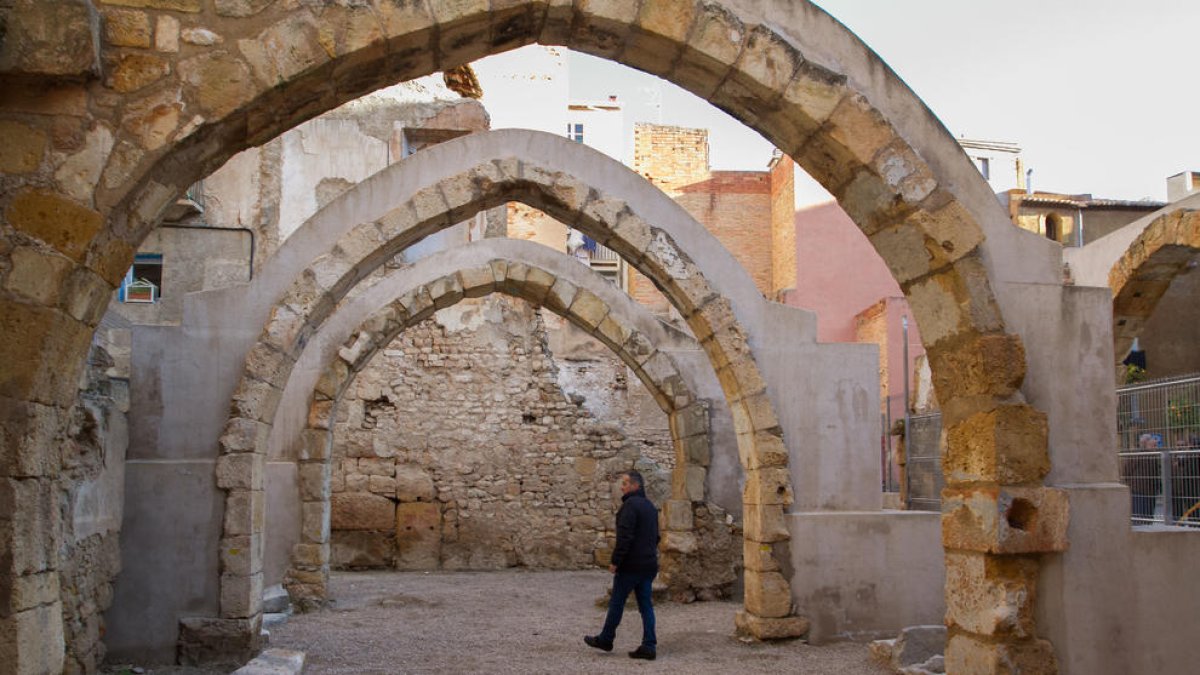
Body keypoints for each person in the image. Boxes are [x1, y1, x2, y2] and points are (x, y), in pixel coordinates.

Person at [585, 470, 659, 660]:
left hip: (631, 565)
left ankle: (606, 639)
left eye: (625, 483)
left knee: (617, 602)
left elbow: (625, 537)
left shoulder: (630, 506)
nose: (622, 486)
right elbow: (656, 537)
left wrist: (615, 561)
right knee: (646, 606)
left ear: (636, 486)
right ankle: (649, 645)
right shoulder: (650, 507)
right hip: (649, 564)